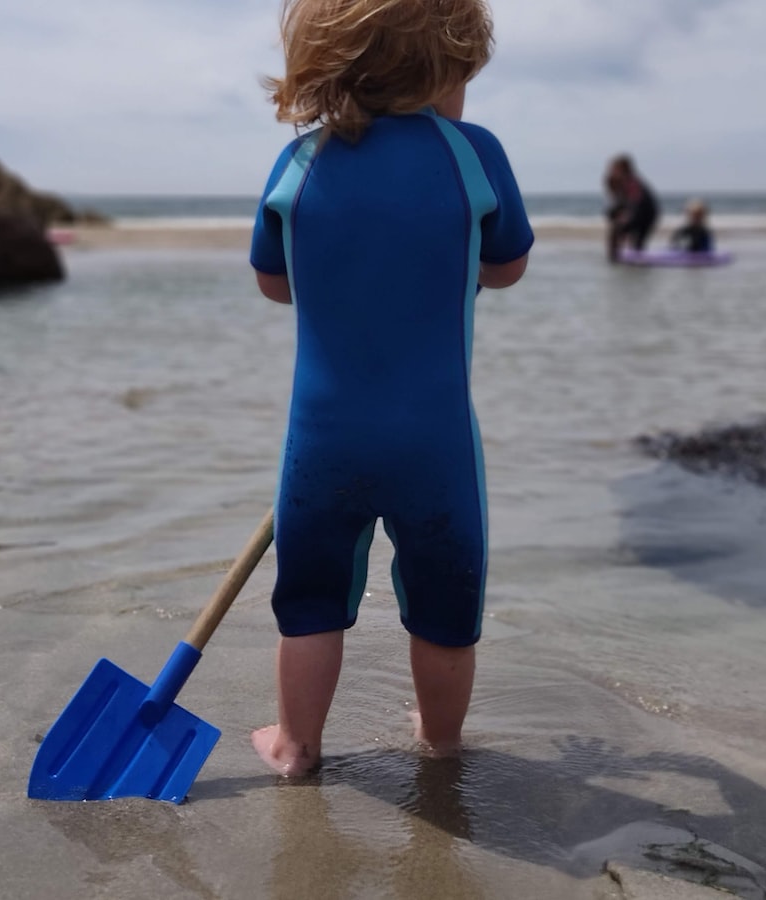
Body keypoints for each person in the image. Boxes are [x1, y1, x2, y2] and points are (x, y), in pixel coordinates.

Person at [248, 0, 533, 777]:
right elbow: (506, 266)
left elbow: (277, 285)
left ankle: (295, 745)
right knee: (446, 604)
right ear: (444, 65)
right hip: (433, 442)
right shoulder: (472, 154)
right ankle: (440, 743)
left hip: (322, 440)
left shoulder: (298, 163)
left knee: (307, 598)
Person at [605, 154, 659, 262]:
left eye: (614, 169)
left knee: (635, 241)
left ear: (624, 169)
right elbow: (618, 203)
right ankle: (616, 258)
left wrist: (626, 216)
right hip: (638, 213)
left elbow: (636, 202)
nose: (611, 171)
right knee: (613, 219)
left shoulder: (632, 182)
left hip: (646, 214)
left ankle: (618, 259)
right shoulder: (616, 182)